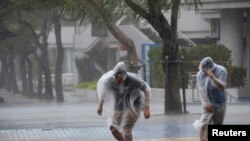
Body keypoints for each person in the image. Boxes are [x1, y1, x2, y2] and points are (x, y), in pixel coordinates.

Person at [96, 62, 151, 141]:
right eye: (116, 77)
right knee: (113, 129)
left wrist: (147, 108)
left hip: (133, 106)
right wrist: (100, 105)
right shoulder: (110, 81)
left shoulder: (133, 80)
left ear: (124, 75)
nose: (118, 79)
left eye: (120, 77)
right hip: (119, 106)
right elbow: (104, 90)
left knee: (126, 129)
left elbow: (147, 90)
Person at [193, 57, 228, 141]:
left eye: (205, 70)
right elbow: (201, 90)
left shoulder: (221, 71)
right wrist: (206, 103)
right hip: (207, 103)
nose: (203, 72)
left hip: (219, 103)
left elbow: (222, 87)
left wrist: (213, 77)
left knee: (217, 125)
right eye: (202, 70)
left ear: (210, 68)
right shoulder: (200, 74)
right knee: (204, 123)